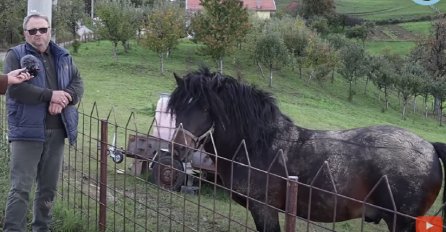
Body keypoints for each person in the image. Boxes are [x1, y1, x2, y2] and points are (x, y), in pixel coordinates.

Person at [2, 12, 84, 232]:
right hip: (26, 133)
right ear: (25, 33)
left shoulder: (63, 55)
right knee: (21, 188)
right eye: (33, 31)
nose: (38, 34)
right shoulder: (15, 55)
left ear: (50, 30)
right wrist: (50, 95)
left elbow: (77, 83)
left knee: (48, 188)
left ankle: (42, 228)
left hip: (57, 130)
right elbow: (16, 90)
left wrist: (64, 97)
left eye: (43, 29)